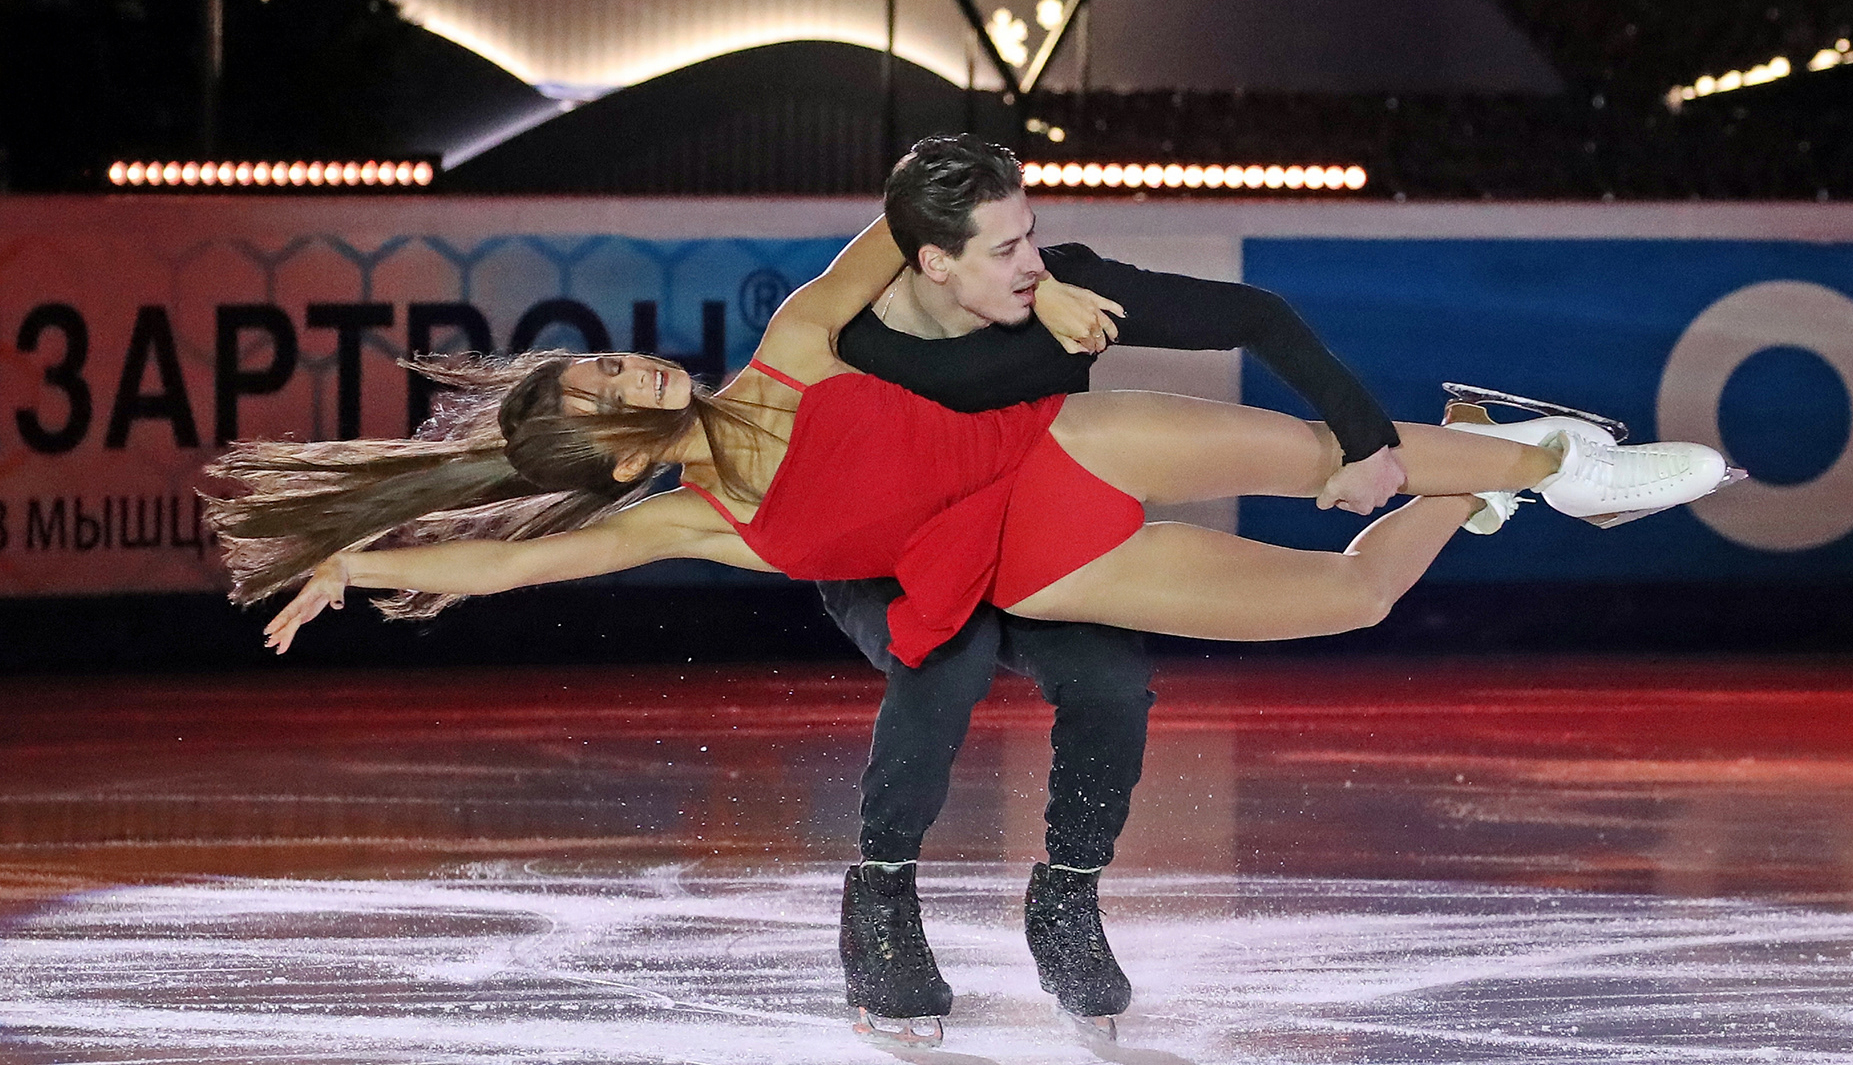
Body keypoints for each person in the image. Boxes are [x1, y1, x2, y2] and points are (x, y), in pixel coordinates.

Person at [208, 202, 1730, 1043]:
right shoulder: (692, 520)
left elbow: (907, 212)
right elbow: (513, 570)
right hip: (1041, 571)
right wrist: (355, 556)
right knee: (1349, 594)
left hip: (1060, 446)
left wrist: (1015, 263)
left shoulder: (795, 341)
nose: (623, 373)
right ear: (608, 459)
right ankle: (1497, 449)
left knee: (1325, 454)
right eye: (602, 399)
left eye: (601, 361)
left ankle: (1558, 465)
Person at [821, 134, 1409, 1037]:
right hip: (890, 558)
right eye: (1007, 248)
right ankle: (883, 899)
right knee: (948, 658)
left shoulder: (1072, 289)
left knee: (1111, 681)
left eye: (1032, 234)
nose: (1034, 260)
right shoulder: (851, 343)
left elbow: (1257, 315)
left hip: (1030, 548)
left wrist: (1368, 441)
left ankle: (1067, 895)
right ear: (936, 262)